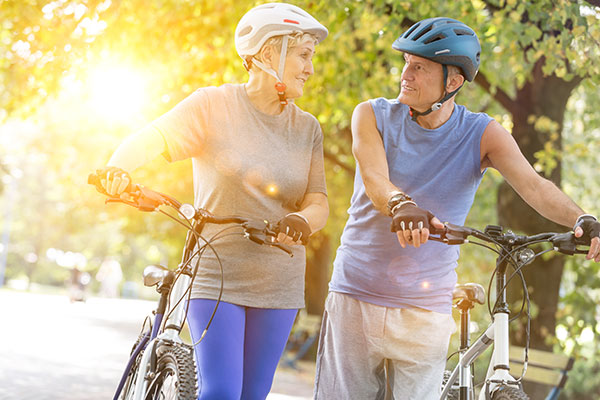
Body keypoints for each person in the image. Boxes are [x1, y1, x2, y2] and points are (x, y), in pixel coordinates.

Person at [313, 17, 600, 400]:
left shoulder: (482, 133)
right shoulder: (372, 115)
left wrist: (582, 219)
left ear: (453, 82)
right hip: (356, 295)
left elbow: (534, 185)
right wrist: (401, 204)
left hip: (426, 311)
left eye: (419, 67)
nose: (406, 75)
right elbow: (375, 180)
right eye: (405, 64)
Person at [94, 3, 329, 399]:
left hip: (279, 280)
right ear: (270, 52)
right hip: (217, 272)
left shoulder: (306, 128)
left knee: (253, 395)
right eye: (303, 55)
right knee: (220, 391)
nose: (309, 67)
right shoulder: (213, 105)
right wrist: (116, 169)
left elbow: (318, 201)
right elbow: (152, 137)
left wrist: (302, 222)